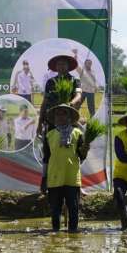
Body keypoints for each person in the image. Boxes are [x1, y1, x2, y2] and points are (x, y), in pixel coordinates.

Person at [41, 104, 89, 232]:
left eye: (64, 113)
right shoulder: (50, 135)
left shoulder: (77, 133)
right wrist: (44, 178)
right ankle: (55, 233)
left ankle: (73, 233)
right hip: (54, 177)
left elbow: (82, 156)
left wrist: (85, 148)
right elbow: (46, 158)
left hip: (71, 177)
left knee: (73, 208)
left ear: (69, 117)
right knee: (55, 209)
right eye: (58, 114)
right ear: (54, 118)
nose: (61, 116)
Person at [37, 54, 82, 137]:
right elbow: (45, 102)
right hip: (52, 119)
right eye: (59, 64)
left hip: (68, 118)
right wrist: (39, 122)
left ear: (68, 66)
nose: (61, 66)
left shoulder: (75, 81)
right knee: (50, 142)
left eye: (64, 64)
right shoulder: (50, 82)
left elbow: (78, 96)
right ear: (56, 67)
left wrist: (70, 103)